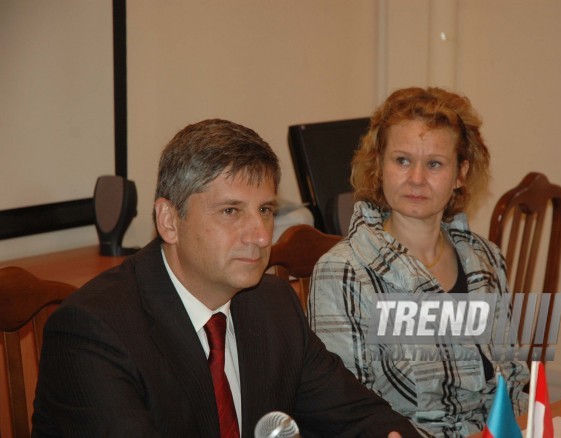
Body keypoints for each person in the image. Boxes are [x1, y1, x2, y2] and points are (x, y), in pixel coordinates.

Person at [32, 119, 423, 437]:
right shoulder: (95, 330)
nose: (260, 235)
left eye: (266, 209)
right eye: (231, 212)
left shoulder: (273, 304)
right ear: (169, 220)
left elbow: (358, 416)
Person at [308, 87, 529, 437]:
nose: (416, 179)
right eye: (402, 160)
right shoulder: (345, 272)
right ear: (379, 165)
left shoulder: (485, 259)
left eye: (435, 164)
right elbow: (351, 414)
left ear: (460, 174)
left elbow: (513, 381)